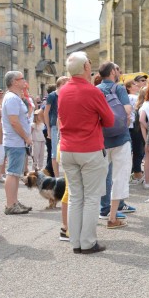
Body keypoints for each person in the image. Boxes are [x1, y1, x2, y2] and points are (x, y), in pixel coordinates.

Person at [58, 52, 115, 254]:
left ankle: (76, 242)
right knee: (91, 198)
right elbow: (109, 120)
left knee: (75, 197)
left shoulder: (63, 91)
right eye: (89, 63)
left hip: (67, 148)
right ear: (85, 68)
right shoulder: (92, 92)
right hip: (89, 148)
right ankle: (88, 242)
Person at [96, 62, 133, 226]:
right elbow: (127, 110)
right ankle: (112, 217)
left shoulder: (95, 90)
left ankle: (100, 210)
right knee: (120, 177)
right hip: (120, 137)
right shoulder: (118, 88)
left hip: (101, 139)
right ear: (112, 72)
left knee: (102, 176)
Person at [1, 72, 33, 215]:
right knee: (13, 173)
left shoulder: (14, 97)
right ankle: (10, 204)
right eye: (21, 79)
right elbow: (14, 121)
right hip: (15, 141)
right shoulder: (12, 98)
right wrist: (26, 137)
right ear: (14, 82)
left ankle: (14, 202)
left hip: (16, 141)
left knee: (15, 173)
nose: (24, 81)